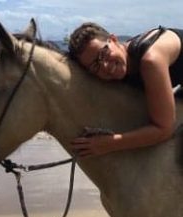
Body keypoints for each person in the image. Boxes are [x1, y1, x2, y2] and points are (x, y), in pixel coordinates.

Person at [68, 22, 183, 156]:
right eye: (95, 66)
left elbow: (164, 128)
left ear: (114, 40)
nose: (105, 65)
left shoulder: (151, 60)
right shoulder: (121, 66)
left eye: (104, 53)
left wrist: (109, 144)